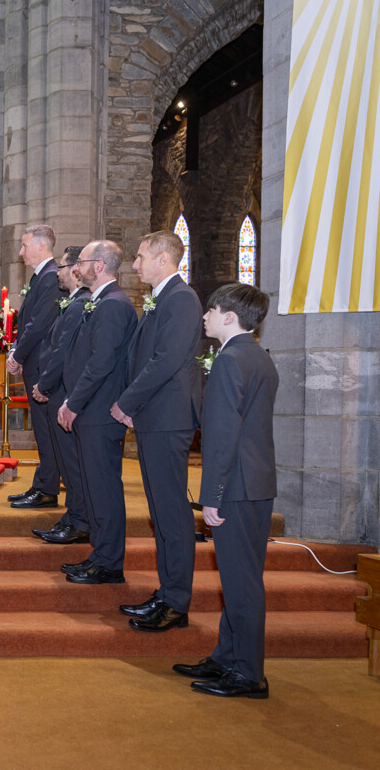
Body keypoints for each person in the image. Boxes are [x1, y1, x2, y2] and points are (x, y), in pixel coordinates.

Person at [174, 283, 278, 699]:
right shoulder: (258, 357)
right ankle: (227, 657)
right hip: (255, 481)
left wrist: (212, 494)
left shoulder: (231, 361)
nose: (205, 317)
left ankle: (249, 673)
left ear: (230, 317)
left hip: (235, 485)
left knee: (242, 583)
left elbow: (221, 436)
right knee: (239, 578)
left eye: (212, 310)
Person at [112, 231, 203, 632]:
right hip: (155, 417)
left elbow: (166, 361)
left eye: (141, 256)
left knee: (172, 513)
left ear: (164, 258)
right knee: (161, 512)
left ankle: (177, 602)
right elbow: (142, 357)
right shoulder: (162, 298)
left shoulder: (181, 299)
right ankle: (167, 593)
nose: (135, 264)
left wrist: (127, 402)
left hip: (168, 420)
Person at [56, 240, 138, 585]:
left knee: (103, 489)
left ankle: (109, 562)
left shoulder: (113, 305)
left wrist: (73, 402)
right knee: (94, 487)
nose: (78, 267)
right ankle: (100, 555)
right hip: (92, 410)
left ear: (99, 266)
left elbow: (102, 362)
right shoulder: (102, 301)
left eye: (84, 262)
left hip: (100, 413)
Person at [30, 246, 91, 544]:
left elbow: (62, 352)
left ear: (76, 270)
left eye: (63, 267)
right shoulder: (74, 302)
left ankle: (78, 520)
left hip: (64, 392)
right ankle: (73, 517)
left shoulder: (80, 305)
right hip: (60, 392)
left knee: (73, 465)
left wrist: (44, 384)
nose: (58, 272)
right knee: (69, 464)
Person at [6, 225, 62, 509]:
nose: (20, 252)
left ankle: (47, 489)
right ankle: (43, 485)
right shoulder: (42, 277)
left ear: (42, 246)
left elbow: (39, 323)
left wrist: (17, 354)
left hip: (42, 364)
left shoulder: (51, 277)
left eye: (25, 245)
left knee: (46, 428)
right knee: (42, 429)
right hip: (36, 362)